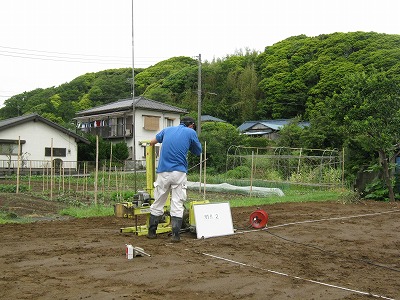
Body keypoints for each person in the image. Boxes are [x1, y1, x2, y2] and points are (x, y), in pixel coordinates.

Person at [147, 116, 202, 242]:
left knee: (159, 200)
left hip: (163, 171)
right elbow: (198, 151)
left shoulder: (167, 130)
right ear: (192, 125)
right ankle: (175, 235)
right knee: (177, 202)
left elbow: (152, 141)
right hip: (178, 171)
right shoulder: (190, 132)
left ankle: (151, 232)